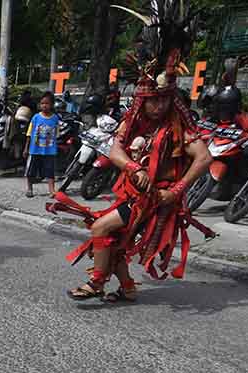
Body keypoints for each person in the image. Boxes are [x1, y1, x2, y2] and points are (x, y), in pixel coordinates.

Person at [47, 1, 215, 303]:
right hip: (132, 194)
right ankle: (127, 289)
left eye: (164, 99)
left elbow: (204, 158)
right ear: (143, 99)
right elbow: (115, 150)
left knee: (100, 227)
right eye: (153, 100)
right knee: (116, 242)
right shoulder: (134, 122)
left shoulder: (178, 127)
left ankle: (96, 283)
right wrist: (133, 168)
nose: (159, 105)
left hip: (156, 200)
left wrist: (175, 192)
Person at [24, 92, 60, 198]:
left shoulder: (55, 118)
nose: (44, 105)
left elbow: (57, 134)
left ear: (52, 104)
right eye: (42, 103)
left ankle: (51, 190)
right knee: (31, 170)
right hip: (35, 149)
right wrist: (26, 148)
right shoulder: (35, 117)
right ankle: (30, 189)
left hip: (49, 150)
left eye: (47, 103)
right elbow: (29, 133)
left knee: (50, 171)